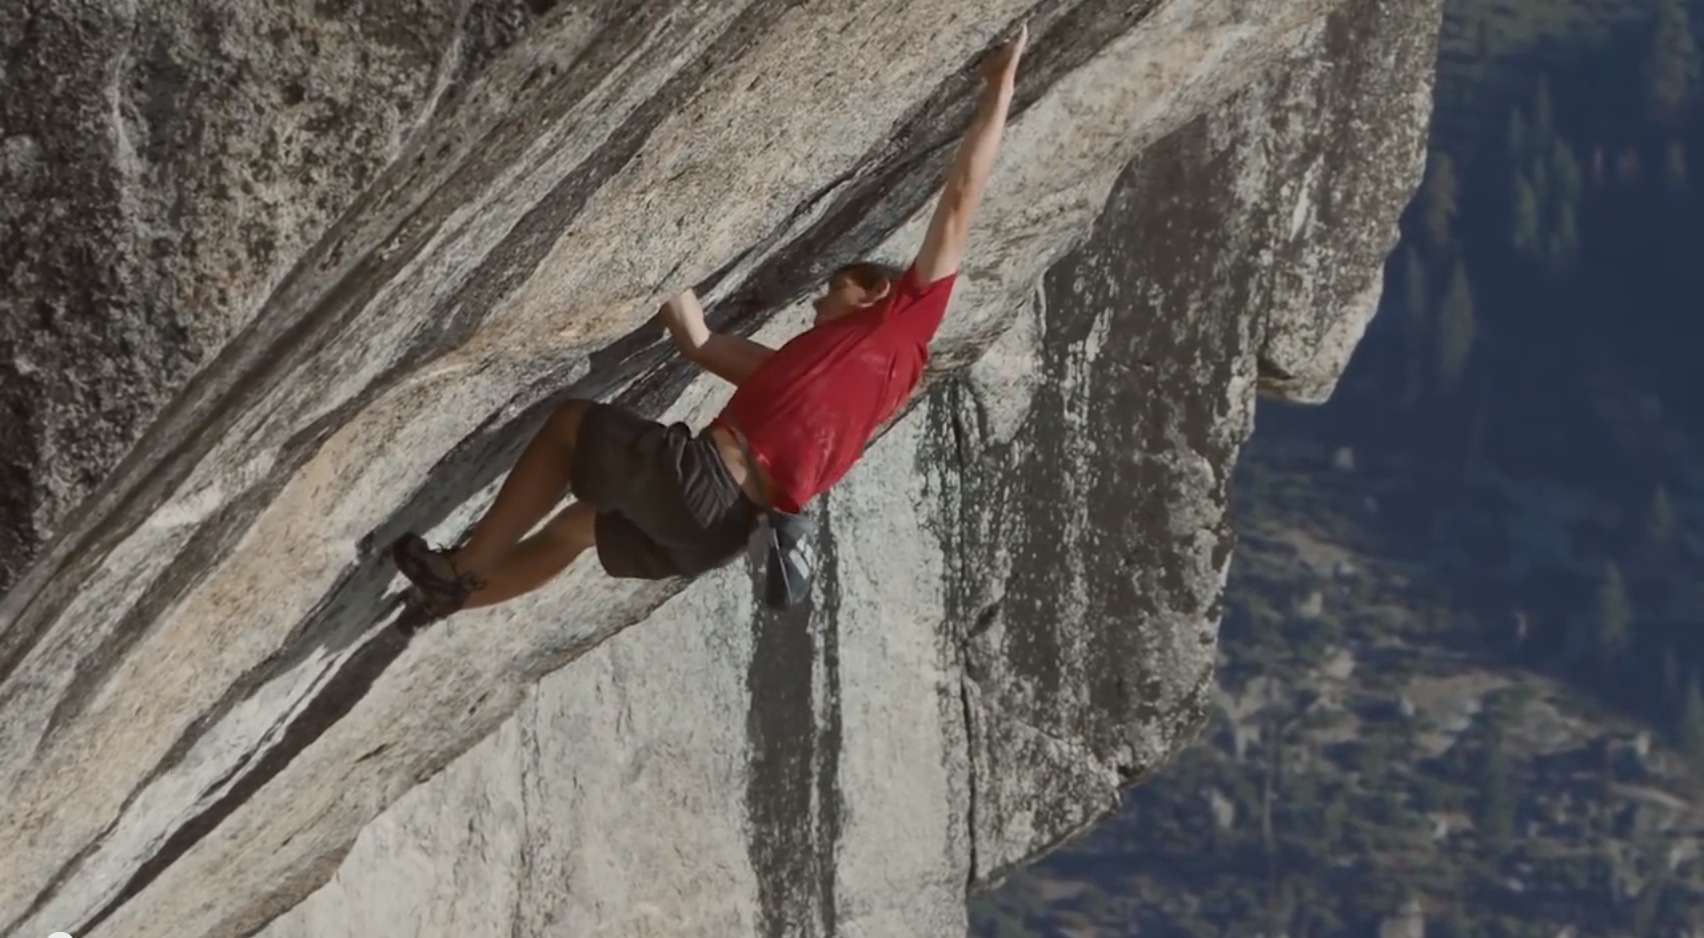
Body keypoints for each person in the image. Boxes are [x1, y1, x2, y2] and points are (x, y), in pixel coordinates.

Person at [391, 23, 1029, 619]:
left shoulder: (901, 324)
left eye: (830, 292)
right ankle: (447, 604)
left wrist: (1000, 86)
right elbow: (698, 341)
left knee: (568, 426)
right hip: (712, 540)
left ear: (871, 291)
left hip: (706, 489)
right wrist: (660, 245)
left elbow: (961, 196)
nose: (814, 306)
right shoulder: (817, 380)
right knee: (576, 528)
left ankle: (462, 566)